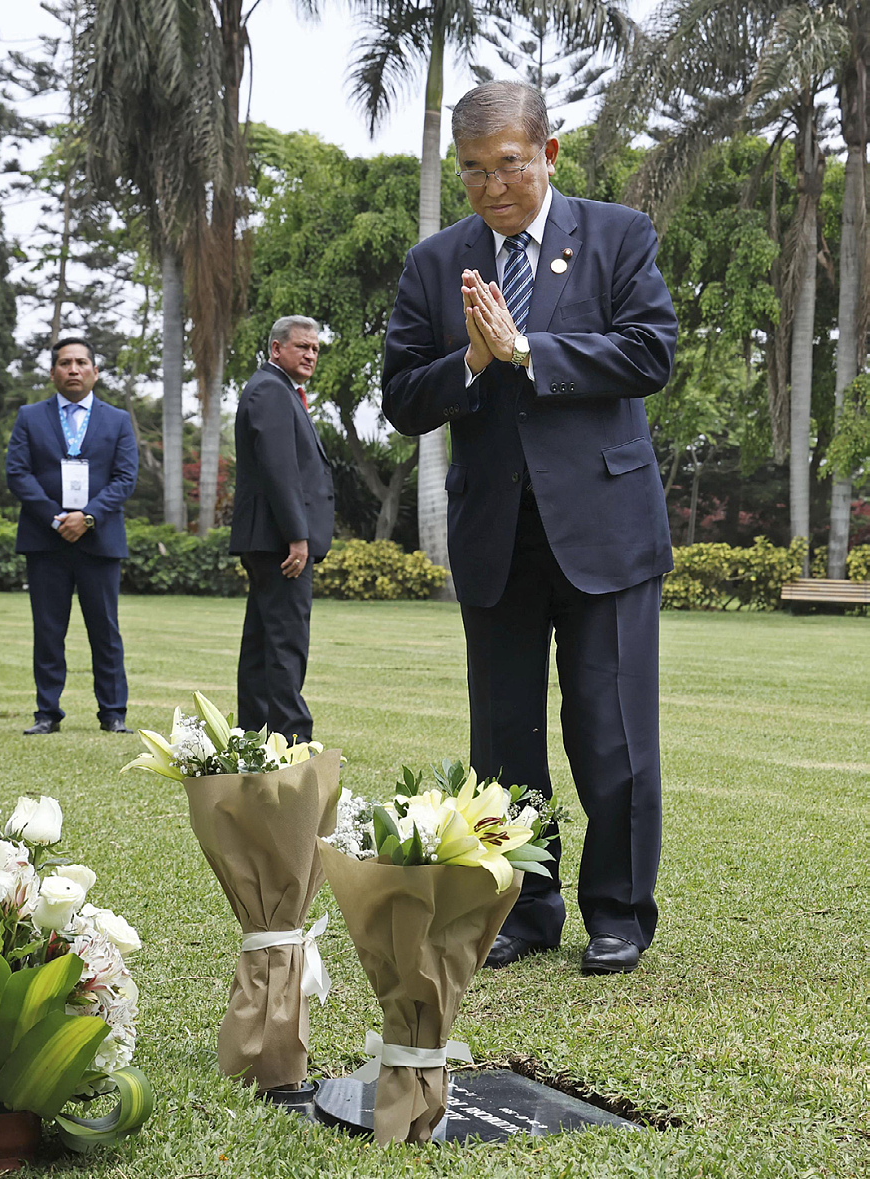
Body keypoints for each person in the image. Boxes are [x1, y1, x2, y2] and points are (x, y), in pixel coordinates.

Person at [382, 81, 678, 975]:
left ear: (548, 154)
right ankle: (523, 908)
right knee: (504, 742)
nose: (489, 185)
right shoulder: (436, 264)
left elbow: (649, 350)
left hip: (606, 530)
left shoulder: (618, 235)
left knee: (611, 733)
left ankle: (618, 912)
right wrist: (470, 360)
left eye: (507, 162)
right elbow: (401, 398)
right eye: (471, 170)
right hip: (494, 535)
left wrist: (526, 351)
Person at [6, 337, 139, 735]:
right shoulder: (30, 416)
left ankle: (113, 714)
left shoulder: (116, 420)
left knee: (106, 631)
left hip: (100, 541)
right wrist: (56, 518)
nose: (74, 369)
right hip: (46, 541)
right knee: (48, 630)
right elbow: (18, 473)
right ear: (53, 373)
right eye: (65, 363)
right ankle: (47, 713)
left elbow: (125, 478)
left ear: (95, 372)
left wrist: (89, 516)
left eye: (82, 362)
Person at [230, 316, 335, 743]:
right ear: (276, 349)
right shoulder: (272, 391)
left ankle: (251, 736)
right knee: (286, 641)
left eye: (314, 349)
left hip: (268, 540)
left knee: (260, 643)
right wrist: (297, 535)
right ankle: (294, 742)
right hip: (280, 544)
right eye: (301, 347)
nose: (310, 355)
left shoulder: (274, 389)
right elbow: (280, 469)